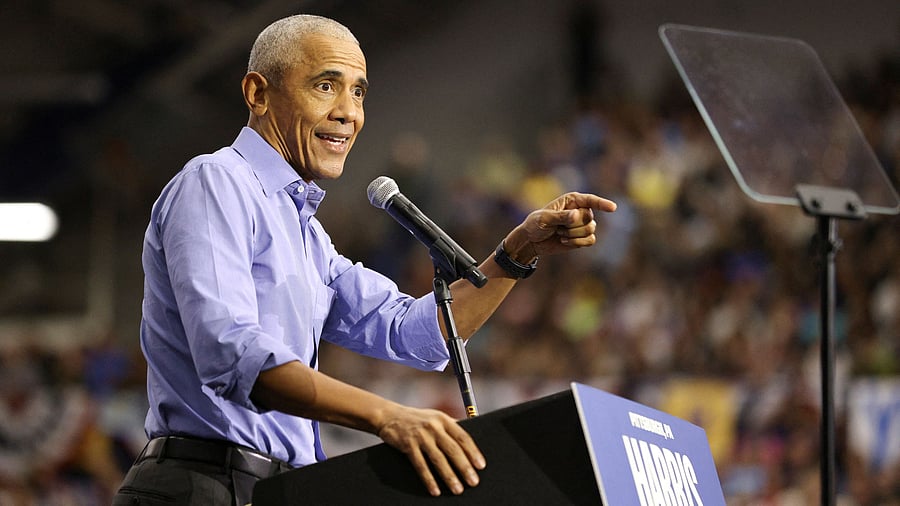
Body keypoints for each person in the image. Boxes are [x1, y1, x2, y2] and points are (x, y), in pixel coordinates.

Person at [112, 13, 617, 505]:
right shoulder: (215, 182)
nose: (348, 113)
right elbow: (232, 354)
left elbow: (415, 332)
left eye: (358, 92)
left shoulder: (308, 235)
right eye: (325, 86)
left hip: (268, 490)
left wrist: (517, 252)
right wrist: (386, 416)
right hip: (198, 485)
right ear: (258, 94)